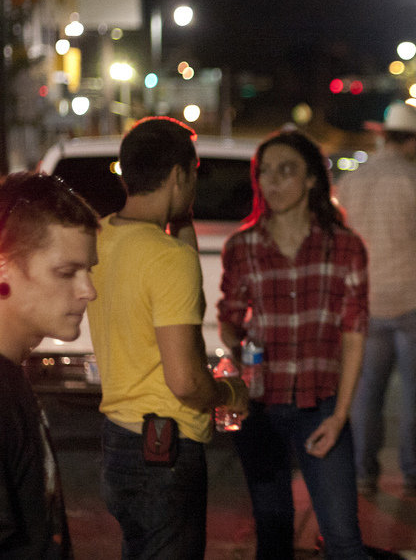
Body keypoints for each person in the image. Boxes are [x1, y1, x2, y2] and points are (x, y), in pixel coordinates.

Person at [88, 117, 249, 558]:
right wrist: (230, 392)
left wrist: (182, 215)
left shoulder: (100, 236)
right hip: (165, 449)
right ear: (180, 174)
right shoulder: (167, 259)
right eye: (193, 175)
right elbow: (185, 382)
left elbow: (178, 266)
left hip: (119, 442)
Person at [218, 129, 368, 559]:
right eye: (265, 172)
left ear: (312, 180)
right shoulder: (243, 246)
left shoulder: (344, 247)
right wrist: (241, 349)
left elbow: (355, 333)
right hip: (260, 410)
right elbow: (229, 320)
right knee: (273, 538)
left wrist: (340, 415)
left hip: (320, 407)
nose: (274, 182)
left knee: (342, 538)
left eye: (287, 171)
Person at [336, 103, 416, 496]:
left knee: (366, 392)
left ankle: (362, 470)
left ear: (384, 136)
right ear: (413, 142)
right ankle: (415, 469)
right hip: (414, 297)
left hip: (368, 300)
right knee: (415, 392)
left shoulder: (352, 181)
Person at [0, 173, 99, 558]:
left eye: (89, 269)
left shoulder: (13, 375)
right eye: (66, 272)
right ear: (4, 269)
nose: (88, 290)